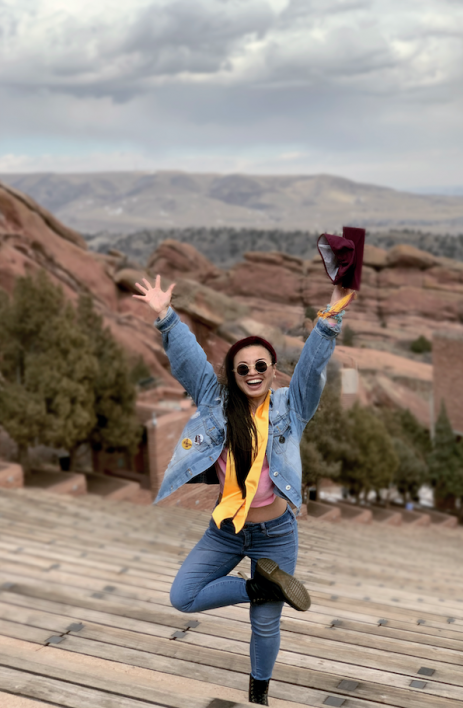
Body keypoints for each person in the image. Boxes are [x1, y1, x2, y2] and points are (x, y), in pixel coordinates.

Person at [133, 275, 353, 705]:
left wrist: (332, 311)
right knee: (184, 596)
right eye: (242, 368)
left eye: (260, 366)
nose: (252, 373)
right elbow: (189, 360)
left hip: (275, 534)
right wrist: (165, 317)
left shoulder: (293, 407)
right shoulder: (215, 403)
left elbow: (313, 364)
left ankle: (258, 697)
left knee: (266, 626)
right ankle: (261, 586)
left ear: (272, 370)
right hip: (226, 530)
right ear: (233, 375)